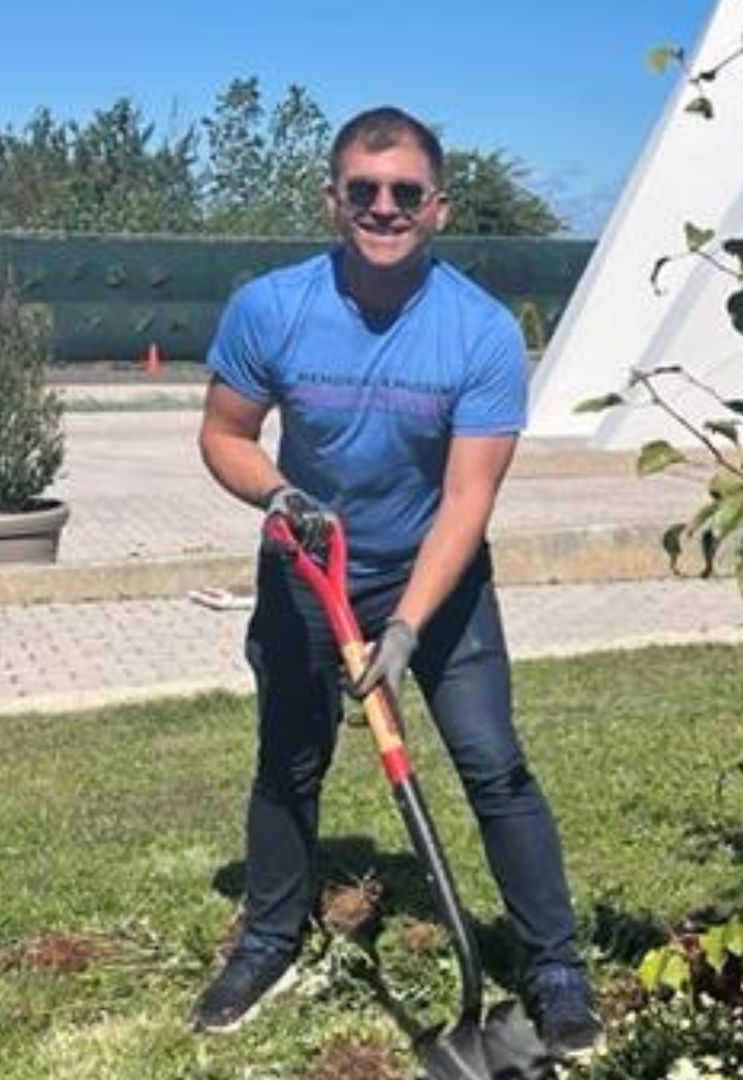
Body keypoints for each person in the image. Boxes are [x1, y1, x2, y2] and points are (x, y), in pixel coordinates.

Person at [189, 105, 601, 1057]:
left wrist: (409, 625)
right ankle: (266, 939)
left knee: (493, 763)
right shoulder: (271, 306)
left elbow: (467, 499)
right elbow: (224, 435)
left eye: (405, 192)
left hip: (438, 583)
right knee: (291, 762)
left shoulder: (480, 332)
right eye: (364, 190)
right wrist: (284, 497)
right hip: (307, 571)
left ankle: (554, 969)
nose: (384, 207)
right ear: (333, 199)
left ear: (439, 207)